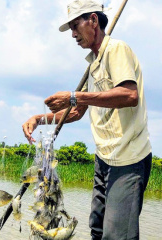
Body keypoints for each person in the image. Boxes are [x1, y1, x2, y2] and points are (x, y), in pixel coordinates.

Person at [22, 0, 152, 239]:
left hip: (128, 160)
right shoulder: (93, 64)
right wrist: (39, 119)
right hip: (103, 159)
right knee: (97, 229)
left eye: (75, 26)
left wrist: (74, 96)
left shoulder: (116, 49)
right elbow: (77, 111)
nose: (72, 34)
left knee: (117, 235)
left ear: (93, 20)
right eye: (70, 28)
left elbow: (129, 95)